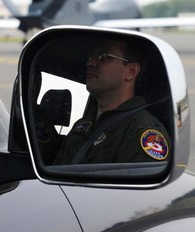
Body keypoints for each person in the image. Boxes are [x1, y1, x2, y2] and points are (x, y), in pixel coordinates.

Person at [54, 37, 171, 165]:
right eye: (90, 57)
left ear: (131, 72)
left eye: (104, 57)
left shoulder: (142, 131)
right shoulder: (82, 125)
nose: (91, 63)